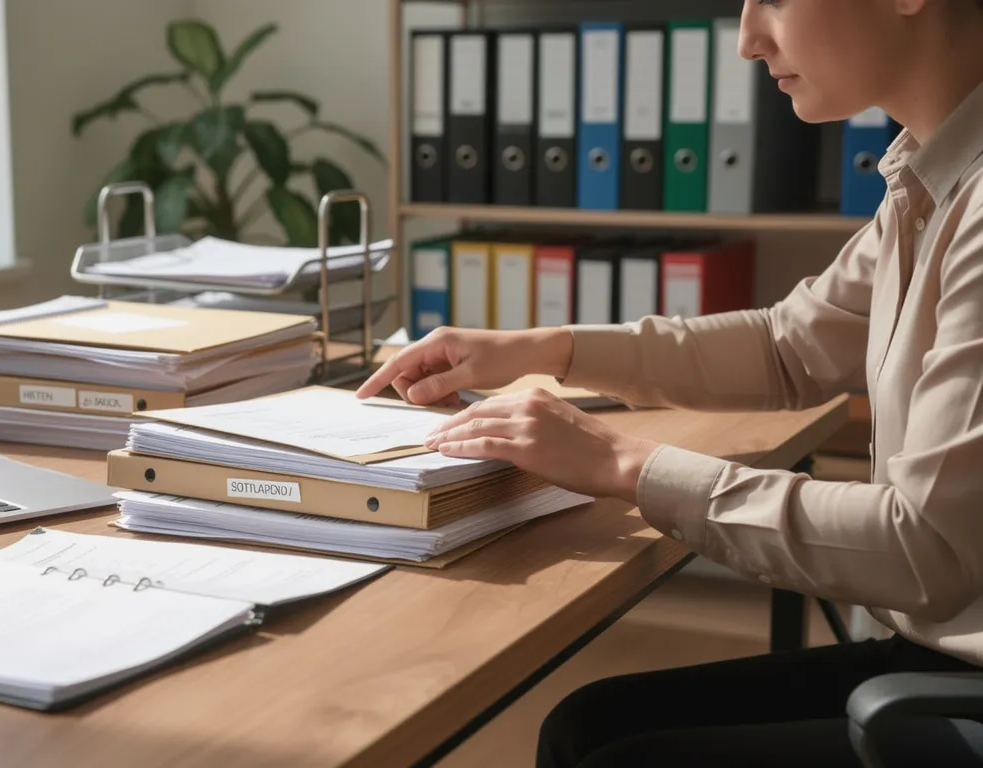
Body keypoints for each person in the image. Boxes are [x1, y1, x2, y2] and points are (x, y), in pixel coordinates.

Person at [357, 0, 983, 765]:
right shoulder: (933, 174)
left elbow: (926, 550)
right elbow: (791, 346)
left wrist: (626, 465)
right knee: (588, 728)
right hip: (932, 656)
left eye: (775, 1)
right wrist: (540, 347)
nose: (749, 40)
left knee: (609, 751)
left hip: (956, 677)